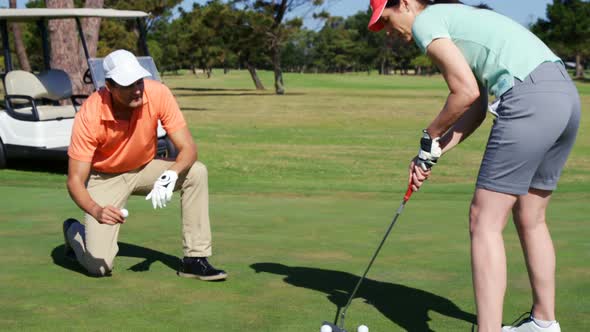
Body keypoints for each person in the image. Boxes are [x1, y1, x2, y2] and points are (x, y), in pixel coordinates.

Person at [368, 1, 580, 331]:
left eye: (388, 19)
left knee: (484, 219)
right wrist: (434, 150)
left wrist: (430, 133)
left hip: (529, 99)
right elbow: (477, 107)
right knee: (530, 216)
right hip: (564, 97)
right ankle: (543, 323)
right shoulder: (462, 18)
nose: (391, 32)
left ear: (407, 3)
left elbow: (463, 92)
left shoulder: (427, 21)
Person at [63, 49, 227, 281]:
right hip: (105, 177)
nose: (138, 89)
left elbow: (188, 148)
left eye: (139, 80)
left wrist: (171, 174)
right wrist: (96, 210)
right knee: (99, 267)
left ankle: (195, 259)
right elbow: (75, 180)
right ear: (109, 86)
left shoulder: (157, 93)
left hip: (145, 168)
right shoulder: (90, 114)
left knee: (196, 171)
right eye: (128, 84)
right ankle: (73, 230)